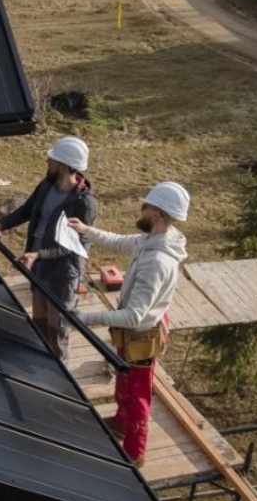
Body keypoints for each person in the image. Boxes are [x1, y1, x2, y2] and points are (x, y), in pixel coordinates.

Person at [67, 181, 190, 466]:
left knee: (138, 397)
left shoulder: (158, 261)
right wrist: (86, 230)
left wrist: (86, 318)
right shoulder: (155, 239)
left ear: (157, 214)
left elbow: (135, 315)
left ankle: (135, 453)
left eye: (145, 206)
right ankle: (121, 423)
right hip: (134, 333)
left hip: (141, 335)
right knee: (124, 381)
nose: (141, 209)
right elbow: (120, 241)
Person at [0, 136, 97, 360]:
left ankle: (60, 375)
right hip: (38, 267)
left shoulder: (84, 203)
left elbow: (74, 246)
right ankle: (41, 368)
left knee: (57, 329)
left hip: (63, 275)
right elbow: (27, 210)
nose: (47, 161)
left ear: (65, 166)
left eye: (52, 159)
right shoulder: (46, 186)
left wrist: (39, 254)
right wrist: (0, 225)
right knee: (39, 324)